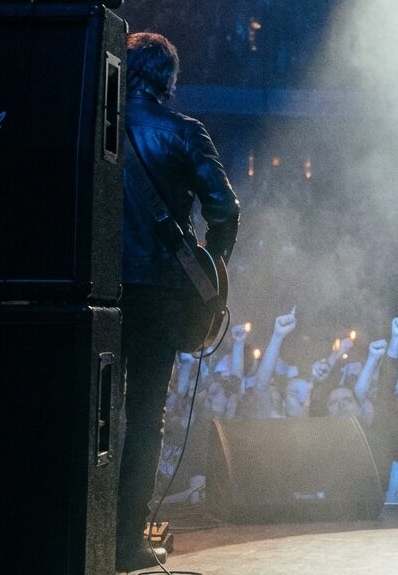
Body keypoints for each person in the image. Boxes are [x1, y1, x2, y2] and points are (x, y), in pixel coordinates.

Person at [116, 32, 240, 573]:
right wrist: (211, 267)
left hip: (94, 289)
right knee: (144, 416)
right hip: (162, 293)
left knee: (84, 416)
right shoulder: (184, 133)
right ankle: (126, 541)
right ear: (169, 80)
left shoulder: (95, 122)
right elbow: (225, 208)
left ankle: (81, 528)